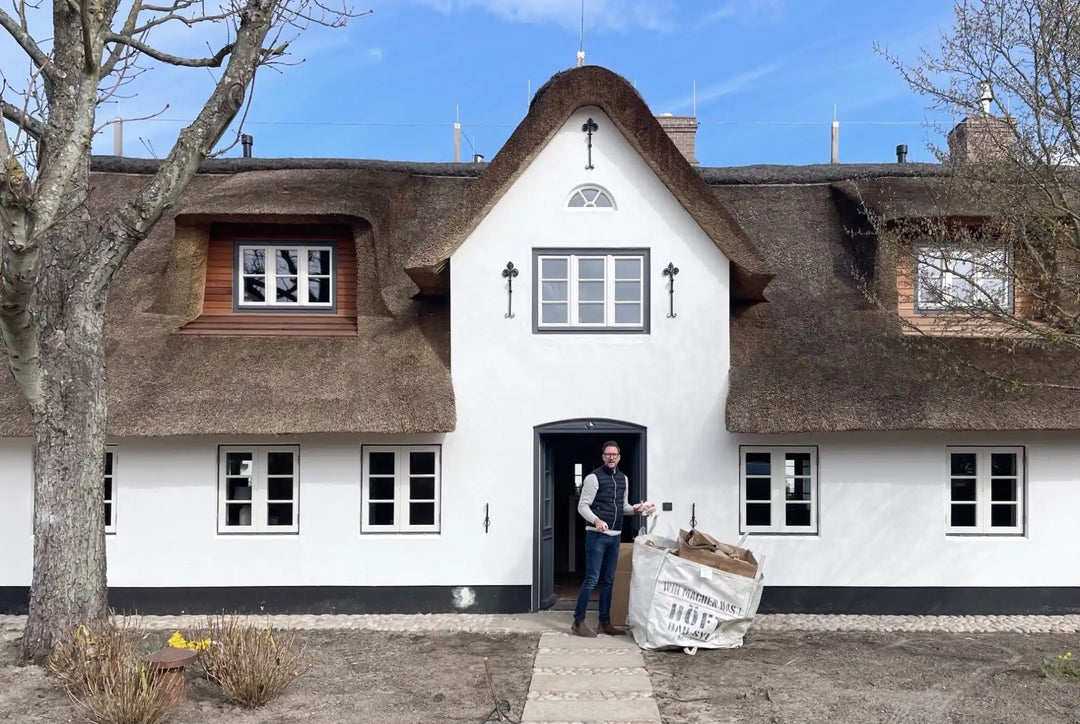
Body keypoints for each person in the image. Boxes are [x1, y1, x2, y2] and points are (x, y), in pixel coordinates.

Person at [571, 440, 654, 637]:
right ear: (603, 456)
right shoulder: (593, 478)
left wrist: (636, 510)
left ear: (619, 457)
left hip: (615, 536)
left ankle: (604, 622)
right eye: (608, 454)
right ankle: (578, 621)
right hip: (596, 536)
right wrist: (597, 520)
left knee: (608, 580)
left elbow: (623, 507)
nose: (611, 457)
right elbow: (582, 506)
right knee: (592, 579)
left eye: (614, 455)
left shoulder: (623, 479)